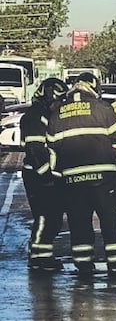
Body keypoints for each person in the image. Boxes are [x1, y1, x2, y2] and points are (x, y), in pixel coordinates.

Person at [46, 73, 116, 277]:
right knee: (112, 220)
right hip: (103, 178)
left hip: (72, 180)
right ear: (94, 88)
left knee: (79, 222)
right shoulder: (103, 109)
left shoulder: (58, 114)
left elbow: (52, 147)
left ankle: (83, 266)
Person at [21, 77, 69, 272]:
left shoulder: (44, 115)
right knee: (45, 215)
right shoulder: (35, 117)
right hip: (38, 176)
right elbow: (35, 150)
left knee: (53, 217)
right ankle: (38, 257)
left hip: (47, 175)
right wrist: (46, 176)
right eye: (58, 101)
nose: (60, 105)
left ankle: (44, 255)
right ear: (48, 98)